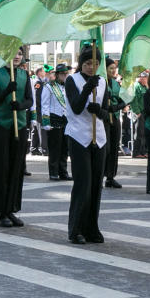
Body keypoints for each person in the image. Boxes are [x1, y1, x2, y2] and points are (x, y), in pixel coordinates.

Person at [0, 47, 32, 227]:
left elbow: (30, 100)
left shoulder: (25, 75)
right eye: (13, 53)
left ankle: (11, 209)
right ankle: (0, 212)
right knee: (1, 169)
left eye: (19, 53)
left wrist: (21, 105)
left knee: (16, 169)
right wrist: (7, 91)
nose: (16, 56)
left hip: (20, 126)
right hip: (0, 125)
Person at [64, 45, 110, 244]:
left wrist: (98, 110)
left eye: (96, 64)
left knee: (96, 185)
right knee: (83, 183)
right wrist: (87, 88)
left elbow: (107, 112)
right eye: (88, 63)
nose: (92, 67)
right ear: (81, 64)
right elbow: (75, 107)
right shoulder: (71, 80)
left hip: (98, 138)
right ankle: (76, 229)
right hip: (78, 136)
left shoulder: (103, 83)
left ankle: (92, 227)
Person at [42, 64, 71, 181]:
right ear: (57, 75)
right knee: (55, 148)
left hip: (66, 120)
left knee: (65, 148)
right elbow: (44, 105)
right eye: (63, 74)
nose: (65, 76)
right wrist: (46, 122)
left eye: (66, 73)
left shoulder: (68, 86)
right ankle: (53, 172)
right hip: (54, 119)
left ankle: (63, 172)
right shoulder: (48, 87)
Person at [103, 59, 126, 189]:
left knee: (114, 148)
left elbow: (124, 101)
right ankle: (100, 174)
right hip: (104, 119)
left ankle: (111, 177)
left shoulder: (117, 84)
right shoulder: (101, 83)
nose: (113, 71)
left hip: (115, 118)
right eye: (110, 68)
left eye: (114, 68)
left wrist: (116, 107)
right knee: (105, 149)